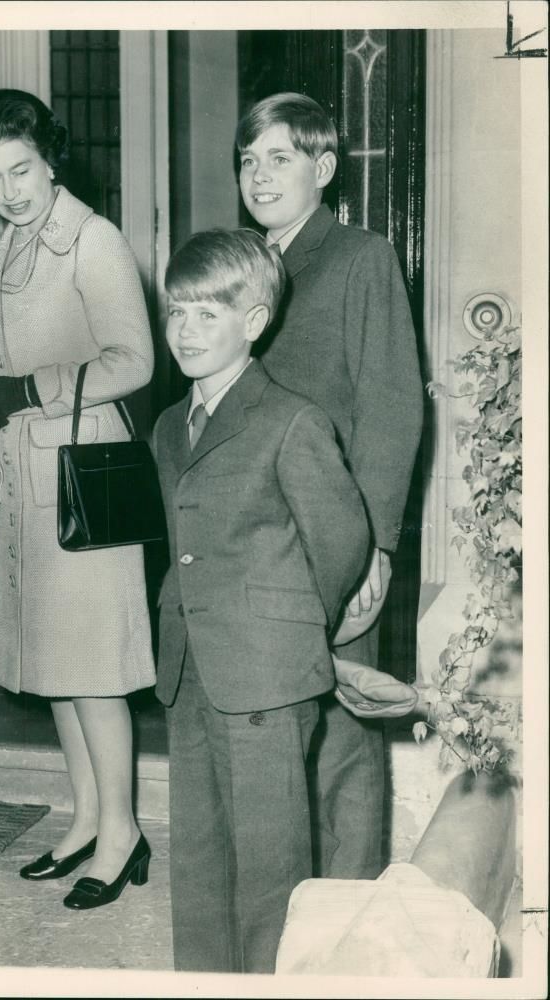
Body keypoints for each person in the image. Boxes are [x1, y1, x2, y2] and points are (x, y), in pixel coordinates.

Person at [0, 89, 154, 910]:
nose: (9, 190)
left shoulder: (92, 242)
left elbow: (134, 361)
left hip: (82, 481)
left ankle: (123, 833)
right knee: (58, 669)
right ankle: (84, 821)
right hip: (23, 479)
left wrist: (26, 388)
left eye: (22, 169)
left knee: (96, 670)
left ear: (51, 159)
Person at [152, 228, 370, 972]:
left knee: (271, 866)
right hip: (191, 667)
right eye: (176, 311)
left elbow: (340, 547)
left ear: (254, 321)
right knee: (201, 854)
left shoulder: (292, 422)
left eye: (206, 315)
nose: (184, 330)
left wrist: (284, 627)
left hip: (268, 675)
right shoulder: (166, 428)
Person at [235, 92, 424, 880]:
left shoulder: (359, 257)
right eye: (248, 160)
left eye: (279, 158)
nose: (259, 175)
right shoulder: (244, 266)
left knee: (344, 733)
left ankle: (347, 904)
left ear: (322, 168)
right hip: (258, 537)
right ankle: (286, 889)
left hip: (335, 536)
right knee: (278, 724)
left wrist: (375, 547)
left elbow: (391, 407)